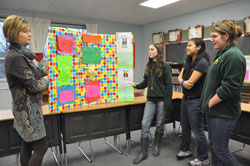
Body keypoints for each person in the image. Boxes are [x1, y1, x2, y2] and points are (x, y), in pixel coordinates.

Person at [3, 15, 49, 166]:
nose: (30, 34)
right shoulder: (16, 57)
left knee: (27, 144)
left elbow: (34, 75)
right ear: (14, 33)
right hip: (27, 112)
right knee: (41, 147)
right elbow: (34, 85)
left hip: (27, 109)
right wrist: (49, 78)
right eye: (25, 31)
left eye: (29, 31)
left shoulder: (22, 54)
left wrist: (45, 69)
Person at [201, 20, 246, 166]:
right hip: (215, 111)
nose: (211, 40)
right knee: (215, 147)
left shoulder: (233, 55)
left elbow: (230, 86)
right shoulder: (222, 53)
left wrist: (210, 102)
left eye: (214, 36)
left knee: (221, 150)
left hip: (223, 113)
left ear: (225, 36)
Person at [132, 43, 172, 164]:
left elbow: (169, 86)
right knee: (145, 124)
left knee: (160, 124)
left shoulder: (166, 66)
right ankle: (143, 153)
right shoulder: (148, 66)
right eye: (149, 49)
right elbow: (145, 82)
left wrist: (167, 103)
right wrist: (136, 85)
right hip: (150, 99)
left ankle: (156, 146)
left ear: (158, 51)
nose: (149, 51)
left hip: (161, 100)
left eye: (152, 49)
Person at [176, 38, 210, 166]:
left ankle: (203, 158)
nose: (187, 47)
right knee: (185, 126)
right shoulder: (189, 61)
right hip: (185, 99)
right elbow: (181, 78)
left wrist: (183, 82)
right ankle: (185, 150)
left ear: (199, 47)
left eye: (190, 45)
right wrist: (183, 82)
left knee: (197, 130)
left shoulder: (202, 62)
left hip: (196, 101)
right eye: (187, 45)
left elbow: (190, 83)